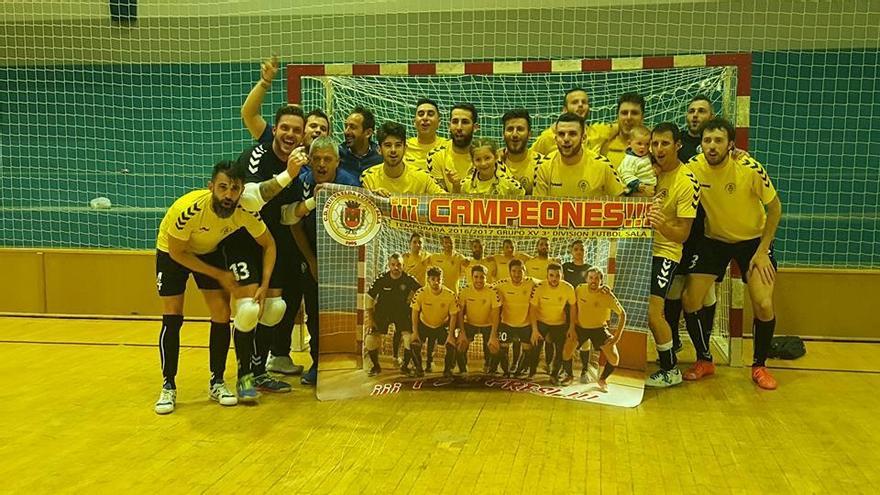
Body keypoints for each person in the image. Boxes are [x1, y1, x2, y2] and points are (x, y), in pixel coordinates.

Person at [153, 160, 276, 414]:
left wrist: (264, 284)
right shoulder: (188, 209)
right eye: (223, 188)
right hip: (173, 252)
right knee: (173, 316)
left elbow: (269, 244)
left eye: (234, 189)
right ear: (211, 187)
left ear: (241, 191)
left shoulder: (244, 211)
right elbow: (178, 253)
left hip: (207, 252)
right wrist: (219, 274)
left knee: (221, 313)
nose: (228, 195)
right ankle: (168, 386)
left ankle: (217, 381)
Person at [682, 118, 783, 390]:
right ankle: (704, 360)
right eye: (707, 140)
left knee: (762, 304)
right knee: (690, 300)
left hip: (753, 242)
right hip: (714, 240)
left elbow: (775, 209)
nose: (712, 146)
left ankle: (759, 365)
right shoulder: (692, 168)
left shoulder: (749, 168)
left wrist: (763, 251)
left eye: (718, 140)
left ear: (731, 145)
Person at [232, 105, 311, 393]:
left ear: (302, 136)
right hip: (242, 240)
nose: (290, 134)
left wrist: (315, 200)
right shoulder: (258, 154)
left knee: (274, 309)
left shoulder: (300, 169)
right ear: (274, 129)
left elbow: (288, 215)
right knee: (249, 310)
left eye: (296, 130)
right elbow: (252, 198)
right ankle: (243, 378)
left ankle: (259, 372)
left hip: (272, 243)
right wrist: (288, 175)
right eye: (285, 128)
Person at [278, 136, 360, 385]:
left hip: (343, 257)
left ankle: (346, 363)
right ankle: (318, 362)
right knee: (313, 311)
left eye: (328, 159)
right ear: (310, 162)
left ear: (337, 161)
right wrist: (312, 260)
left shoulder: (349, 184)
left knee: (344, 313)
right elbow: (294, 225)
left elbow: (357, 228)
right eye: (317, 159)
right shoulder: (303, 182)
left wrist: (340, 261)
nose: (322, 164)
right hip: (311, 254)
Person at [641, 123, 701, 388]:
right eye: (655, 144)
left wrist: (662, 224)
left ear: (677, 145)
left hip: (666, 252)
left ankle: (670, 369)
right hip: (639, 249)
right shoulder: (649, 172)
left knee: (655, 313)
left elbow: (684, 234)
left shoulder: (686, 181)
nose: (658, 149)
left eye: (665, 144)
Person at [533, 113, 626, 198]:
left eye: (572, 134)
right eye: (561, 134)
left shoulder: (603, 166)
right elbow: (538, 208)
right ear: (556, 138)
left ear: (583, 138)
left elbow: (621, 203)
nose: (566, 139)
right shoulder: (544, 166)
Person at [565, 267, 626, 391]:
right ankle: (569, 376)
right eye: (591, 278)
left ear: (601, 281)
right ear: (586, 279)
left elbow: (623, 314)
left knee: (614, 359)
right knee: (565, 353)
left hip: (599, 330)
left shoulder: (607, 295)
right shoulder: (579, 289)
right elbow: (573, 307)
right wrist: (572, 327)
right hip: (580, 328)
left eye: (597, 278)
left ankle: (602, 379)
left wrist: (616, 337)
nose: (593, 281)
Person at [366, 254, 422, 376]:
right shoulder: (381, 279)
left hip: (402, 313)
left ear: (403, 266)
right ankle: (376, 367)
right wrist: (370, 320)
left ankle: (405, 366)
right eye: (393, 265)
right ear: (389, 265)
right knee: (370, 339)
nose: (396, 267)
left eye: (399, 265)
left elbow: (421, 292)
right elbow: (369, 298)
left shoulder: (408, 279)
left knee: (409, 339)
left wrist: (413, 299)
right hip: (383, 312)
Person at [361, 121, 447, 196]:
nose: (393, 150)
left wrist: (456, 186)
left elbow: (447, 201)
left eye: (398, 145)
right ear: (379, 149)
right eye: (388, 145)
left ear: (405, 148)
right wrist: (372, 198)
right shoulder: (368, 178)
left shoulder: (423, 178)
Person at [529, 88, 614, 157]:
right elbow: (530, 158)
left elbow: (623, 124)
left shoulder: (600, 131)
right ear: (565, 110)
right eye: (575, 102)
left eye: (584, 102)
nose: (580, 105)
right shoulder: (548, 137)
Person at [528, 263, 576, 384]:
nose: (554, 278)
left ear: (562, 276)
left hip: (559, 323)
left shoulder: (568, 288)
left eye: (557, 275)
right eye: (551, 275)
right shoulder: (539, 287)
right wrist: (534, 330)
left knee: (560, 350)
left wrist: (571, 327)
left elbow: (573, 307)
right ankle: (532, 371)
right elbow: (532, 308)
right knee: (534, 347)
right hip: (541, 322)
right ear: (547, 276)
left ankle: (554, 374)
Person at [452, 265, 502, 377]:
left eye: (482, 277)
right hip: (470, 323)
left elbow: (496, 315)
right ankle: (463, 369)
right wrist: (462, 332)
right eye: (476, 277)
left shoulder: (492, 291)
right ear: (471, 277)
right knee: (461, 344)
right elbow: (459, 313)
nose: (479, 280)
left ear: (486, 278)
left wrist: (493, 335)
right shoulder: (465, 291)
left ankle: (490, 368)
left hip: (488, 325)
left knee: (494, 347)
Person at [410, 267, 459, 377]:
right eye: (433, 279)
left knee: (452, 344)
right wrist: (415, 332)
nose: (436, 282)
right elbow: (414, 312)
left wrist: (451, 335)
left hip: (441, 325)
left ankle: (447, 370)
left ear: (443, 280)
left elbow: (453, 316)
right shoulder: (420, 293)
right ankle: (418, 369)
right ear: (428, 280)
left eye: (439, 279)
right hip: (424, 324)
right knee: (413, 343)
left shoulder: (450, 295)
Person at [493, 259, 537, 378]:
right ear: (509, 272)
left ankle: (519, 372)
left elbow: (546, 283)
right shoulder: (502, 284)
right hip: (506, 323)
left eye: (520, 271)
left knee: (527, 350)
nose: (517, 274)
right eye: (514, 271)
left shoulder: (532, 282)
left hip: (525, 324)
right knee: (503, 349)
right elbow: (488, 288)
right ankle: (506, 372)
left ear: (525, 271)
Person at [427, 103, 480, 191]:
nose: (459, 127)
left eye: (465, 122)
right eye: (455, 122)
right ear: (449, 126)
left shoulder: (485, 156)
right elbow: (441, 198)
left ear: (475, 127)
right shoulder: (436, 156)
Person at [499, 108, 548, 194]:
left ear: (529, 134)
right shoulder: (492, 161)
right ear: (503, 134)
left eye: (520, 129)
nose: (514, 134)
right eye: (510, 129)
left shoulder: (542, 164)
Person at [460, 137, 525, 196]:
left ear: (496, 157)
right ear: (473, 161)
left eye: (487, 158)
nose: (483, 163)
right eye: (478, 160)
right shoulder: (465, 185)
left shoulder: (509, 184)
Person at [598, 92, 647, 168]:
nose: (629, 117)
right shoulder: (605, 147)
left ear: (642, 117)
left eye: (634, 113)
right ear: (617, 117)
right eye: (624, 113)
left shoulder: (652, 147)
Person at [404, 98, 450, 171]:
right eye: (421, 114)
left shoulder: (449, 147)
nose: (425, 118)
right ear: (414, 122)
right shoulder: (403, 147)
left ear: (439, 122)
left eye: (430, 114)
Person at [339, 106, 383, 177]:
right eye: (346, 126)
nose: (346, 132)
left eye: (352, 127)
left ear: (368, 133)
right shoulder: (338, 154)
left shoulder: (380, 157)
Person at [618, 125, 657, 195]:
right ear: (629, 143)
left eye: (647, 144)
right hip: (637, 189)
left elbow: (652, 160)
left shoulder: (647, 155)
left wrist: (656, 165)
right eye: (639, 143)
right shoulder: (630, 159)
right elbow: (626, 174)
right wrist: (637, 185)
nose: (643, 147)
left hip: (650, 188)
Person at [679, 95, 714, 162]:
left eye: (701, 111)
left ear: (711, 117)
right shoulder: (676, 141)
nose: (695, 115)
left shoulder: (718, 142)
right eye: (691, 111)